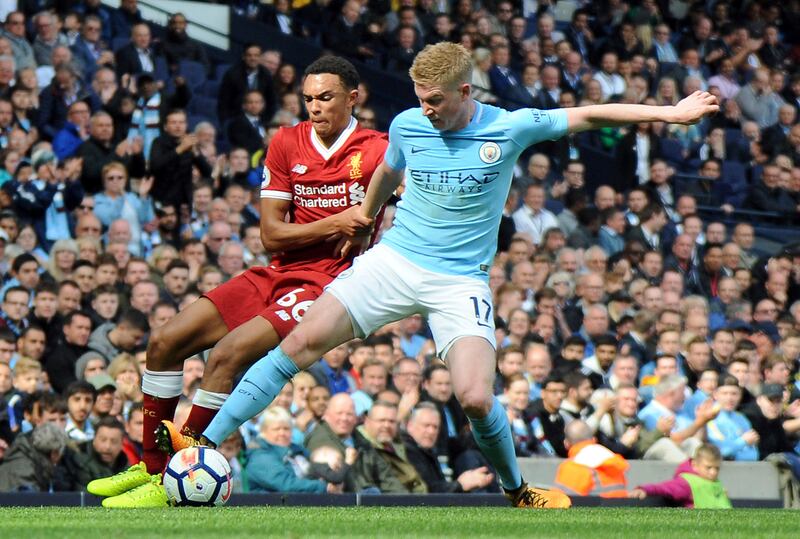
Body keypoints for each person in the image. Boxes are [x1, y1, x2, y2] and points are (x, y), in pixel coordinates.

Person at [176, 43, 718, 510]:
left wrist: (669, 114)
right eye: (418, 96)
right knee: (300, 343)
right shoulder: (408, 124)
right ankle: (201, 443)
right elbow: (389, 172)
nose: (424, 108)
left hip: (459, 281)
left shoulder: (509, 127)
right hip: (394, 263)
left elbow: (589, 115)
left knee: (477, 397)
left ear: (465, 92)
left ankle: (517, 489)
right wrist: (365, 218)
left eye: (434, 99)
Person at [88, 56, 387, 507]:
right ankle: (153, 468)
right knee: (165, 341)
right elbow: (271, 234)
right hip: (276, 270)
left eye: (325, 98)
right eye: (307, 99)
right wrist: (339, 222)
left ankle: (174, 476)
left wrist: (372, 226)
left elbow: (410, 191)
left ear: (352, 97)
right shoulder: (286, 142)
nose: (314, 107)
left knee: (227, 354)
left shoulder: (379, 148)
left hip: (326, 282)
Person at [629, 444, 732, 508]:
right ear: (694, 465)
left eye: (717, 468)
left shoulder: (714, 482)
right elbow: (665, 488)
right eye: (708, 468)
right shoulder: (686, 483)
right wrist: (644, 490)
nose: (713, 472)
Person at [553, 420, 629, 498]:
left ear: (566, 444)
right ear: (594, 439)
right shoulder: (611, 458)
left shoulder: (574, 465)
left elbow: (558, 502)